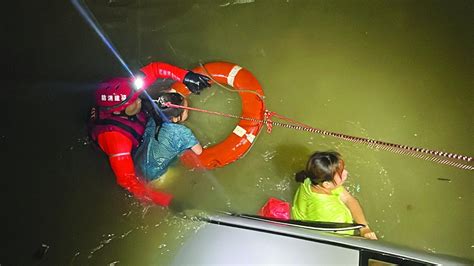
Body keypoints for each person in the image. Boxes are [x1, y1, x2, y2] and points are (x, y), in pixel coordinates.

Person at [88, 61, 210, 207]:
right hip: (132, 150)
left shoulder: (128, 89)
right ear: (118, 111)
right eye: (134, 102)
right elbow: (127, 181)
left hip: (141, 130)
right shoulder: (116, 140)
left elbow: (156, 69)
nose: (139, 99)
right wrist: (167, 201)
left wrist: (187, 77)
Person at [291, 151, 378, 240]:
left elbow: (349, 199)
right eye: (341, 174)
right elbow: (343, 240)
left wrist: (364, 228)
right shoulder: (333, 214)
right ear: (327, 184)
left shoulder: (312, 181)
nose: (346, 173)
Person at [133, 92, 202, 182]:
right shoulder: (182, 132)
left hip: (136, 165)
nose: (187, 111)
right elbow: (199, 151)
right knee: (176, 174)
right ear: (176, 117)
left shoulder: (152, 119)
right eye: (186, 110)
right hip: (154, 175)